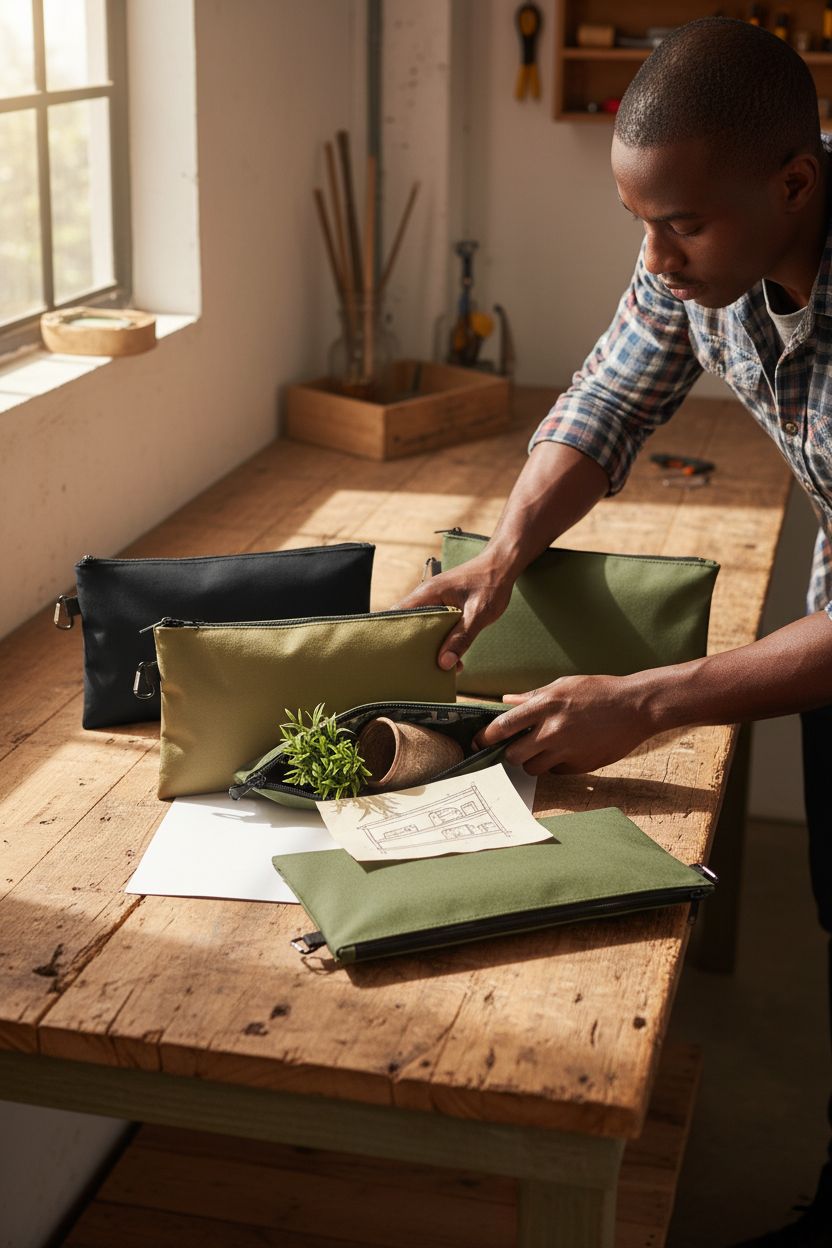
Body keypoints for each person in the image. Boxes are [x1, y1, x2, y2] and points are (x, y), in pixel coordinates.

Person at [398, 17, 832, 1247]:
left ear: (792, 183)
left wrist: (641, 699)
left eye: (681, 225)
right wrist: (508, 545)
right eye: (639, 221)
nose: (656, 255)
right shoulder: (696, 237)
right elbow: (608, 395)